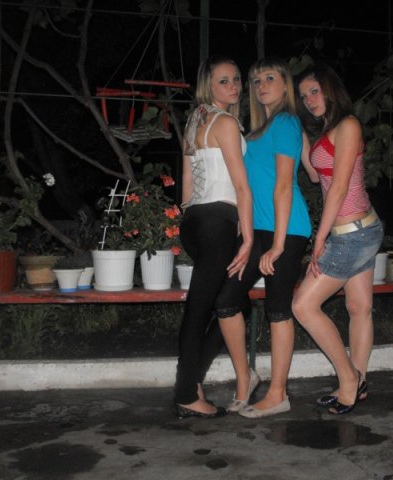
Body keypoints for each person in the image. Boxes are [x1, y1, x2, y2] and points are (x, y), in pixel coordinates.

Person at [216, 58, 311, 418]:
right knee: (226, 300)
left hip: (288, 228)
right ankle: (246, 378)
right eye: (256, 81)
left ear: (286, 85)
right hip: (259, 231)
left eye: (270, 78)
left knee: (278, 308)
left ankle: (278, 394)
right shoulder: (256, 130)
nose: (261, 85)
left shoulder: (285, 122)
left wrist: (279, 245)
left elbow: (284, 185)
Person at [292, 62, 384, 415]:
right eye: (304, 96)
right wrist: (302, 135)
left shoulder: (348, 125)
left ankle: (348, 379)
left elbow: (340, 187)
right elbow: (317, 177)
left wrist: (320, 238)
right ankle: (359, 383)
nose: (309, 100)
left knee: (303, 305)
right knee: (358, 308)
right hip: (360, 230)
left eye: (314, 91)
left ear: (330, 89)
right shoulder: (327, 131)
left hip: (352, 234)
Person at [173, 55, 253, 419]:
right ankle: (186, 393)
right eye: (224, 81)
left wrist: (190, 219)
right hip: (218, 222)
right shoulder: (225, 123)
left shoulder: (195, 121)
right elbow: (241, 186)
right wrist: (247, 237)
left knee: (230, 301)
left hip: (194, 221)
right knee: (200, 309)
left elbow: (187, 180)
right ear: (209, 85)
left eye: (236, 79)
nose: (233, 86)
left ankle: (192, 383)